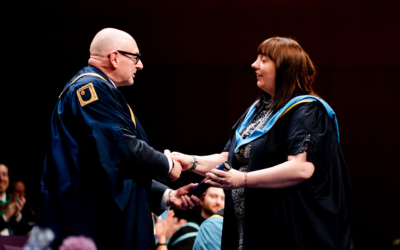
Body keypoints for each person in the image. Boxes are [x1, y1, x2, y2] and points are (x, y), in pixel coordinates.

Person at [172, 37, 354, 249]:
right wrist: (191, 162)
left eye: (264, 60)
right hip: (247, 226)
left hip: (288, 228)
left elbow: (302, 168)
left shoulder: (308, 111)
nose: (254, 64)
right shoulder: (257, 110)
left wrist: (243, 179)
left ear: (284, 68)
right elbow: (228, 159)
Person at [36, 28, 200, 250]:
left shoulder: (100, 89)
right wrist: (168, 164)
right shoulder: (89, 89)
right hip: (88, 225)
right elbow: (125, 150)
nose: (140, 65)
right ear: (114, 57)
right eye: (135, 58)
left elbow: (110, 170)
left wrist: (168, 196)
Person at [0, 164, 32, 235]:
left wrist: (17, 215)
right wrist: (5, 217)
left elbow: (27, 230)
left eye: (4, 174)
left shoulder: (16, 201)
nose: (1, 178)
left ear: (8, 178)